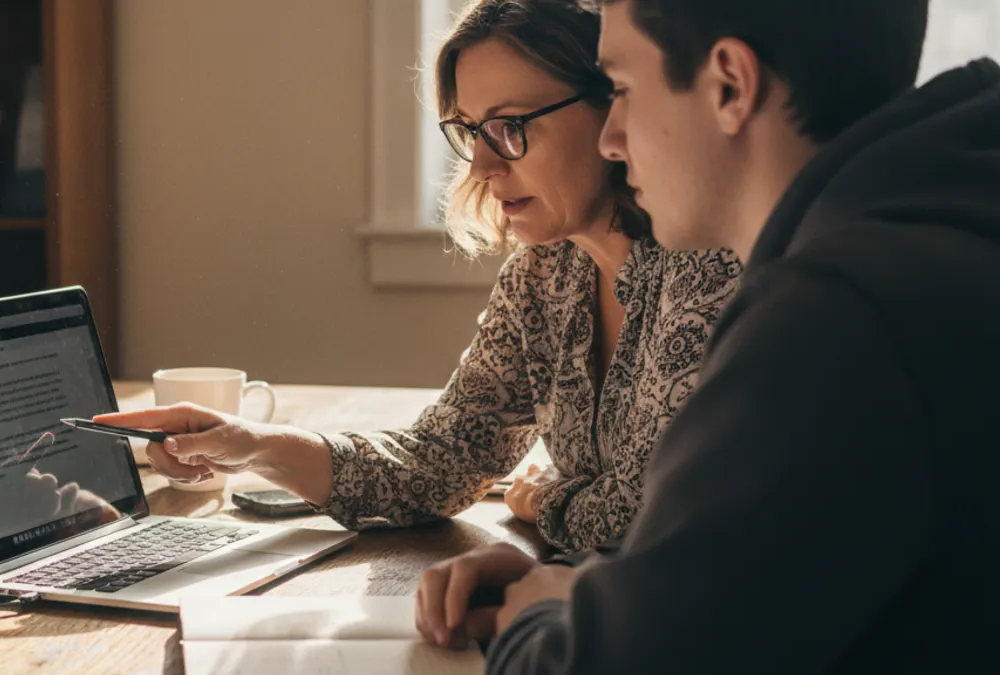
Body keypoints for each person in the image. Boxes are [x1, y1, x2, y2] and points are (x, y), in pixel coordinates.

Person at [414, 0, 1000, 672]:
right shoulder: (932, 238)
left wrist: (537, 615)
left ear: (729, 85)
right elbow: (771, 572)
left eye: (623, 89)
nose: (612, 138)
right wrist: (588, 584)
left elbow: (608, 665)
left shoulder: (828, 323)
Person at [95, 0, 741, 554]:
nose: (483, 165)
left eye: (510, 127)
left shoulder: (707, 263)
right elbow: (436, 461)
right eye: (472, 131)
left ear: (610, 104)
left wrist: (547, 497)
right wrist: (247, 445)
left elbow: (651, 519)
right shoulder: (542, 278)